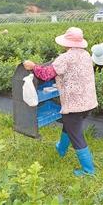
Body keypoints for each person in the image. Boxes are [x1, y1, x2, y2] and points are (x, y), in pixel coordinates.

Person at [23, 27, 98, 176]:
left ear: (67, 43)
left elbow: (45, 74)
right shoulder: (85, 54)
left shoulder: (65, 58)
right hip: (88, 101)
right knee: (69, 124)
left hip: (75, 104)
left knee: (76, 135)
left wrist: (33, 67)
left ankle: (89, 170)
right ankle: (61, 148)